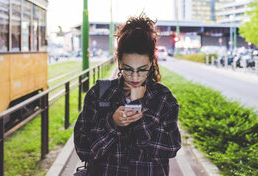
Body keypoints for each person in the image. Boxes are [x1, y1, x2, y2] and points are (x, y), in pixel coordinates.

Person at [74, 14, 181, 175]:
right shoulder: (100, 93)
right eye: (128, 69)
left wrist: (140, 120)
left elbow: (171, 147)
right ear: (119, 62)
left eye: (142, 69)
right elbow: (83, 148)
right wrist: (112, 123)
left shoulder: (162, 98)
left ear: (152, 63)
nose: (135, 77)